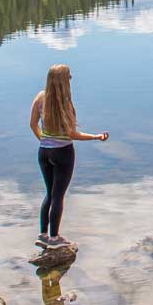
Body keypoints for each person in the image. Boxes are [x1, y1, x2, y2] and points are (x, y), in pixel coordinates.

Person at [29, 64, 108, 247]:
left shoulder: (40, 98)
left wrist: (45, 140)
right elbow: (72, 134)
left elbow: (33, 124)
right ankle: (55, 238)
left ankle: (42, 235)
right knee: (58, 196)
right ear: (65, 82)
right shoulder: (66, 104)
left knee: (49, 193)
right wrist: (96, 136)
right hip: (63, 153)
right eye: (69, 77)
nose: (71, 80)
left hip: (43, 152)